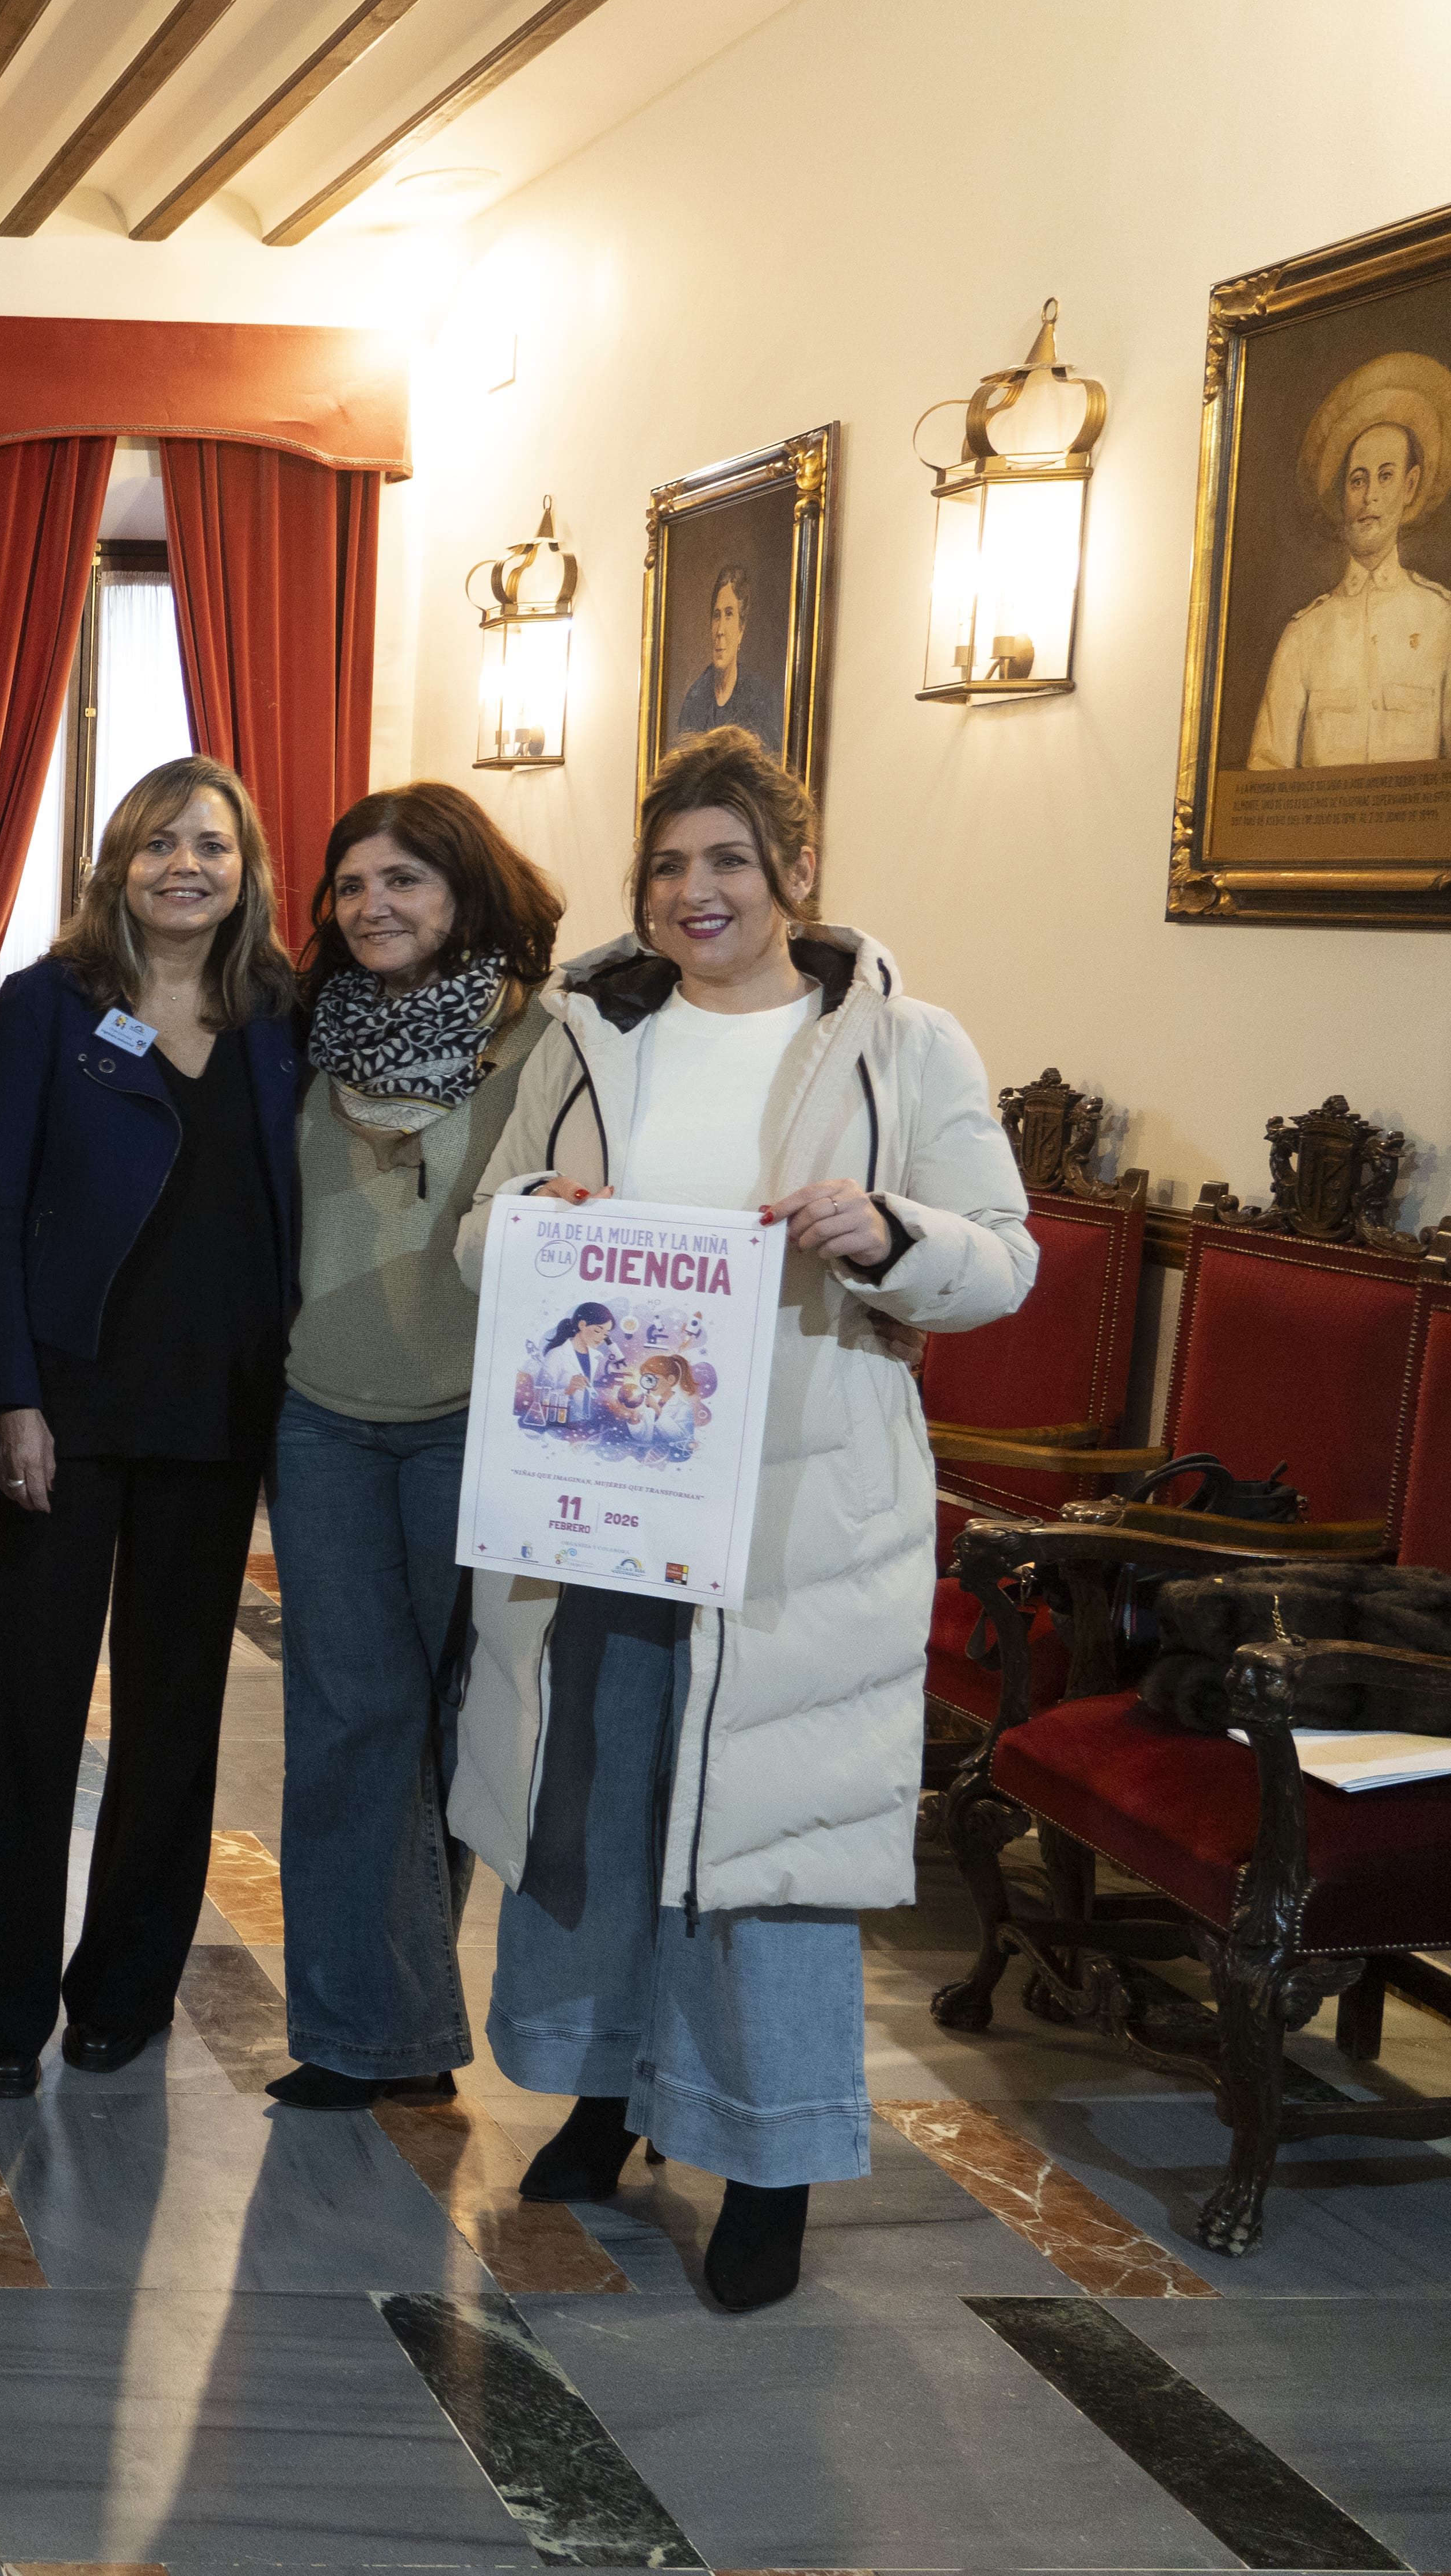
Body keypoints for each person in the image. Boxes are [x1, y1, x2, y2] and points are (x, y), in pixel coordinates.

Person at [455, 726, 1033, 2311]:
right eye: (667, 863)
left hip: (798, 1505)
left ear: (794, 871)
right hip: (606, 1489)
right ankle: (600, 2092)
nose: (695, 891)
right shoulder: (582, 1036)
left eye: (727, 860)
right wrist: (529, 1227)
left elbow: (1002, 1259)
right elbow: (473, 1246)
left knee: (765, 1839)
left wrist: (888, 1227)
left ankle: (771, 2159)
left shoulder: (905, 1045)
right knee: (599, 1802)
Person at [0, 755, 304, 2098]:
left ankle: (125, 1991)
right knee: (24, 1711)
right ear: (117, 865)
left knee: (175, 1718)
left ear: (245, 865)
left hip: (219, 1414)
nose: (184, 866)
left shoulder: (285, 1016)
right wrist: (10, 1392)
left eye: (210, 842)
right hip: (66, 1412)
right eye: (157, 844)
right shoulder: (46, 1006)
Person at [263, 782, 565, 2113]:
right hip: (323, 1414)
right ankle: (358, 2034)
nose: (373, 905)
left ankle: (398, 2020)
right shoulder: (299, 1032)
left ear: (466, 891)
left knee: (444, 1726)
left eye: (406, 880)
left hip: (472, 1425)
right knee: (347, 1720)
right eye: (351, 884)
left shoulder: (550, 1048)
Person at [1247, 356, 1451, 769]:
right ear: (1342, 495)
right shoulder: (1304, 635)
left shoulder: (1442, 620)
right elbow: (1267, 774)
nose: (1370, 496)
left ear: (1410, 486)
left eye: (1386, 475)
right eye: (1358, 479)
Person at [667, 565, 782, 751]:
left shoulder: (760, 700)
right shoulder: (695, 701)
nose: (720, 630)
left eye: (729, 615)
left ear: (741, 630)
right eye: (716, 615)